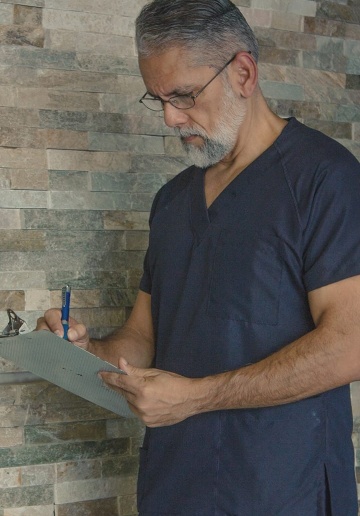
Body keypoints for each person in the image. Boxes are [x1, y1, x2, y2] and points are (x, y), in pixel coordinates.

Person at [37, 0, 360, 514]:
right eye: (158, 99)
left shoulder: (326, 178)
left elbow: (351, 344)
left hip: (282, 489)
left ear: (244, 73)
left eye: (184, 95)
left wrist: (197, 396)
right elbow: (142, 339)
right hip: (174, 487)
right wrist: (78, 351)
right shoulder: (172, 201)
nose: (169, 117)